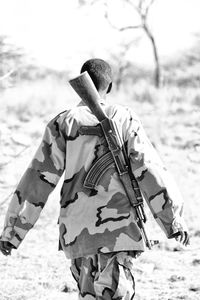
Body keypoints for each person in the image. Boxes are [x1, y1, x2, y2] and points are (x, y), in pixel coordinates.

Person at [0, 58, 189, 299]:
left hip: (77, 234)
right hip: (120, 232)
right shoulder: (124, 117)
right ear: (109, 87)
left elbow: (36, 182)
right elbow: (149, 169)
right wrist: (172, 219)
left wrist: (12, 232)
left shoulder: (63, 122)